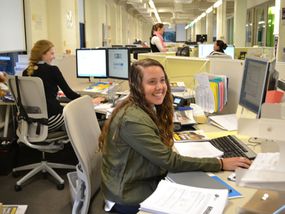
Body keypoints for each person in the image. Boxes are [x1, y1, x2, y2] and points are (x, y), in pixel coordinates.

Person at [99, 58, 251, 214]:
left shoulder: (144, 106)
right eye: (152, 82)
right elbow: (169, 161)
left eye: (162, 80)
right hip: (128, 195)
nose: (160, 87)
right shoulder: (132, 120)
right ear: (137, 86)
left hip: (140, 180)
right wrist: (220, 163)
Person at [23, 40, 104, 132]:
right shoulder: (52, 70)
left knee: (70, 112)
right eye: (52, 53)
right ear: (43, 54)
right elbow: (69, 94)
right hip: (52, 120)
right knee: (81, 114)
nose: (54, 57)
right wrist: (89, 100)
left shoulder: (25, 72)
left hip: (32, 123)